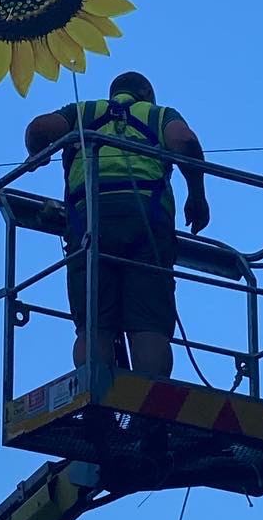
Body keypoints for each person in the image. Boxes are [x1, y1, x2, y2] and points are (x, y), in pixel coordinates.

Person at [23, 70, 209, 381]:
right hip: (147, 224)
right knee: (148, 324)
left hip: (90, 225)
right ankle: (152, 411)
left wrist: (36, 152)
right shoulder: (159, 114)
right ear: (146, 93)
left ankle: (97, 404)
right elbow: (185, 141)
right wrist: (198, 196)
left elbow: (40, 128)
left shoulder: (83, 113)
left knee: (94, 324)